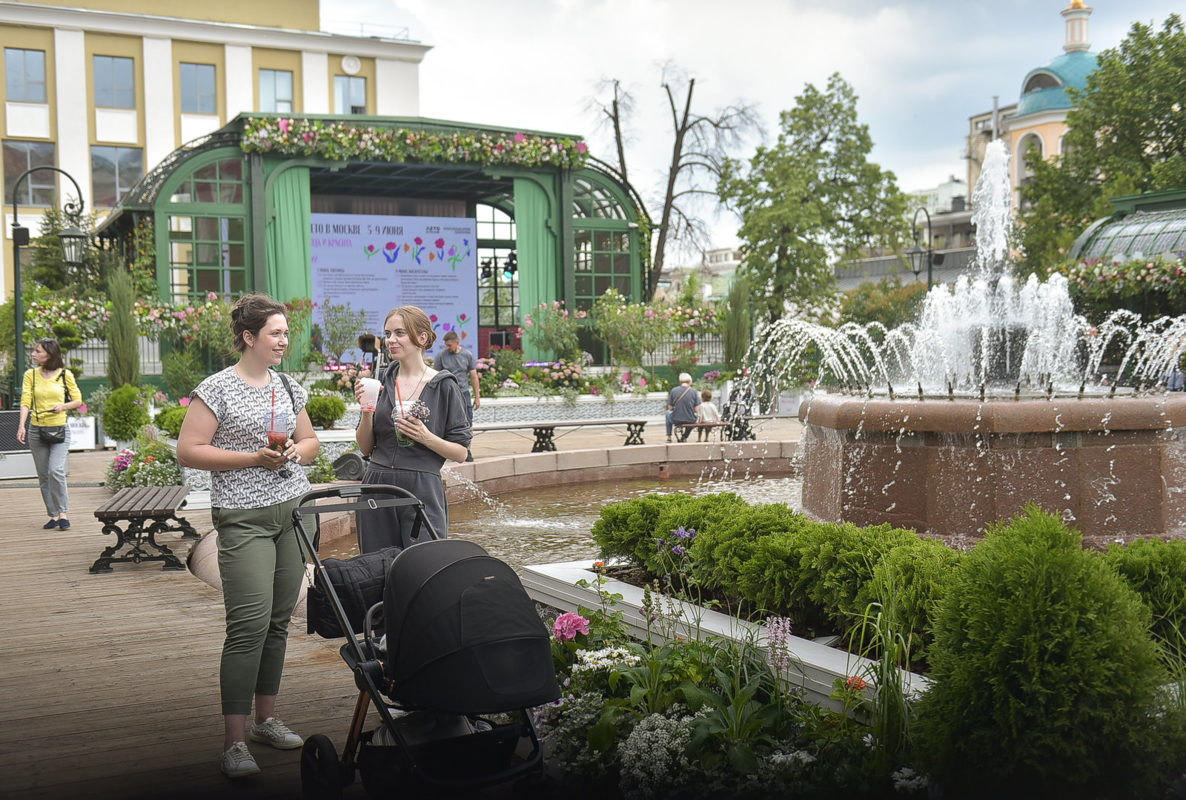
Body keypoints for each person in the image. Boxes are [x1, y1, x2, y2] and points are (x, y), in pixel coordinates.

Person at [176, 293, 320, 780]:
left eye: (285, 333)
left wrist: (296, 453)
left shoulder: (287, 384)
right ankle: (233, 743)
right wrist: (253, 460)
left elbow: (313, 442)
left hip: (294, 512)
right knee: (248, 626)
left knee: (279, 621)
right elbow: (189, 451)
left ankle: (266, 720)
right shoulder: (216, 389)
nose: (284, 340)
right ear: (249, 337)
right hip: (243, 518)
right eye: (276, 333)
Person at [354, 305, 470, 551]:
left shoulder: (444, 386)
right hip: (377, 484)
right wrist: (366, 411)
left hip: (422, 488)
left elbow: (460, 453)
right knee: (376, 570)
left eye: (399, 333)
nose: (391, 340)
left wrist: (426, 437)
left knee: (424, 566)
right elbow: (365, 448)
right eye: (388, 334)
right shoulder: (381, 382)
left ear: (422, 338)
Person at [17, 338, 83, 529]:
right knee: (44, 475)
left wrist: (62, 406)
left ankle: (63, 513)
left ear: (49, 354)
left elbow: (78, 400)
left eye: (37, 351)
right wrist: (22, 425)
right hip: (36, 430)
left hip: (59, 430)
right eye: (34, 351)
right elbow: (25, 401)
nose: (33, 354)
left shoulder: (65, 375)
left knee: (56, 470)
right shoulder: (31, 375)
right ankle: (53, 516)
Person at [436, 331, 481, 461]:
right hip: (447, 394)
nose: (447, 348)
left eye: (450, 345)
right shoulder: (441, 356)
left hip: (464, 393)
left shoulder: (467, 355)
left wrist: (477, 397)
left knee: (467, 422)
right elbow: (436, 376)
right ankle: (448, 451)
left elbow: (473, 376)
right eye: (446, 345)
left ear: (457, 342)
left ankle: (468, 450)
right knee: (445, 422)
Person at [667, 372, 699, 443]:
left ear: (680, 381)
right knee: (693, 419)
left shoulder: (674, 390)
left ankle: (669, 436)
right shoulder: (694, 391)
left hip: (676, 419)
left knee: (668, 413)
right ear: (689, 381)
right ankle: (685, 436)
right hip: (690, 420)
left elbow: (670, 407)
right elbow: (697, 409)